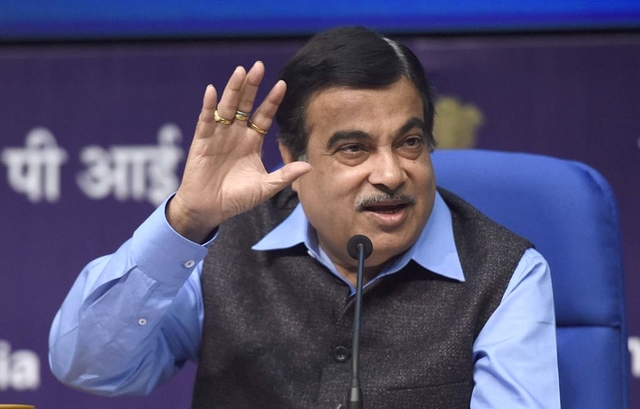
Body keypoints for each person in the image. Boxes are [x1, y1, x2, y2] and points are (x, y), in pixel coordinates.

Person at [49, 26, 560, 408]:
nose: (391, 173)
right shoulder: (222, 245)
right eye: (354, 149)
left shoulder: (506, 273)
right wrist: (185, 221)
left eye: (409, 142)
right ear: (293, 157)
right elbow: (89, 366)